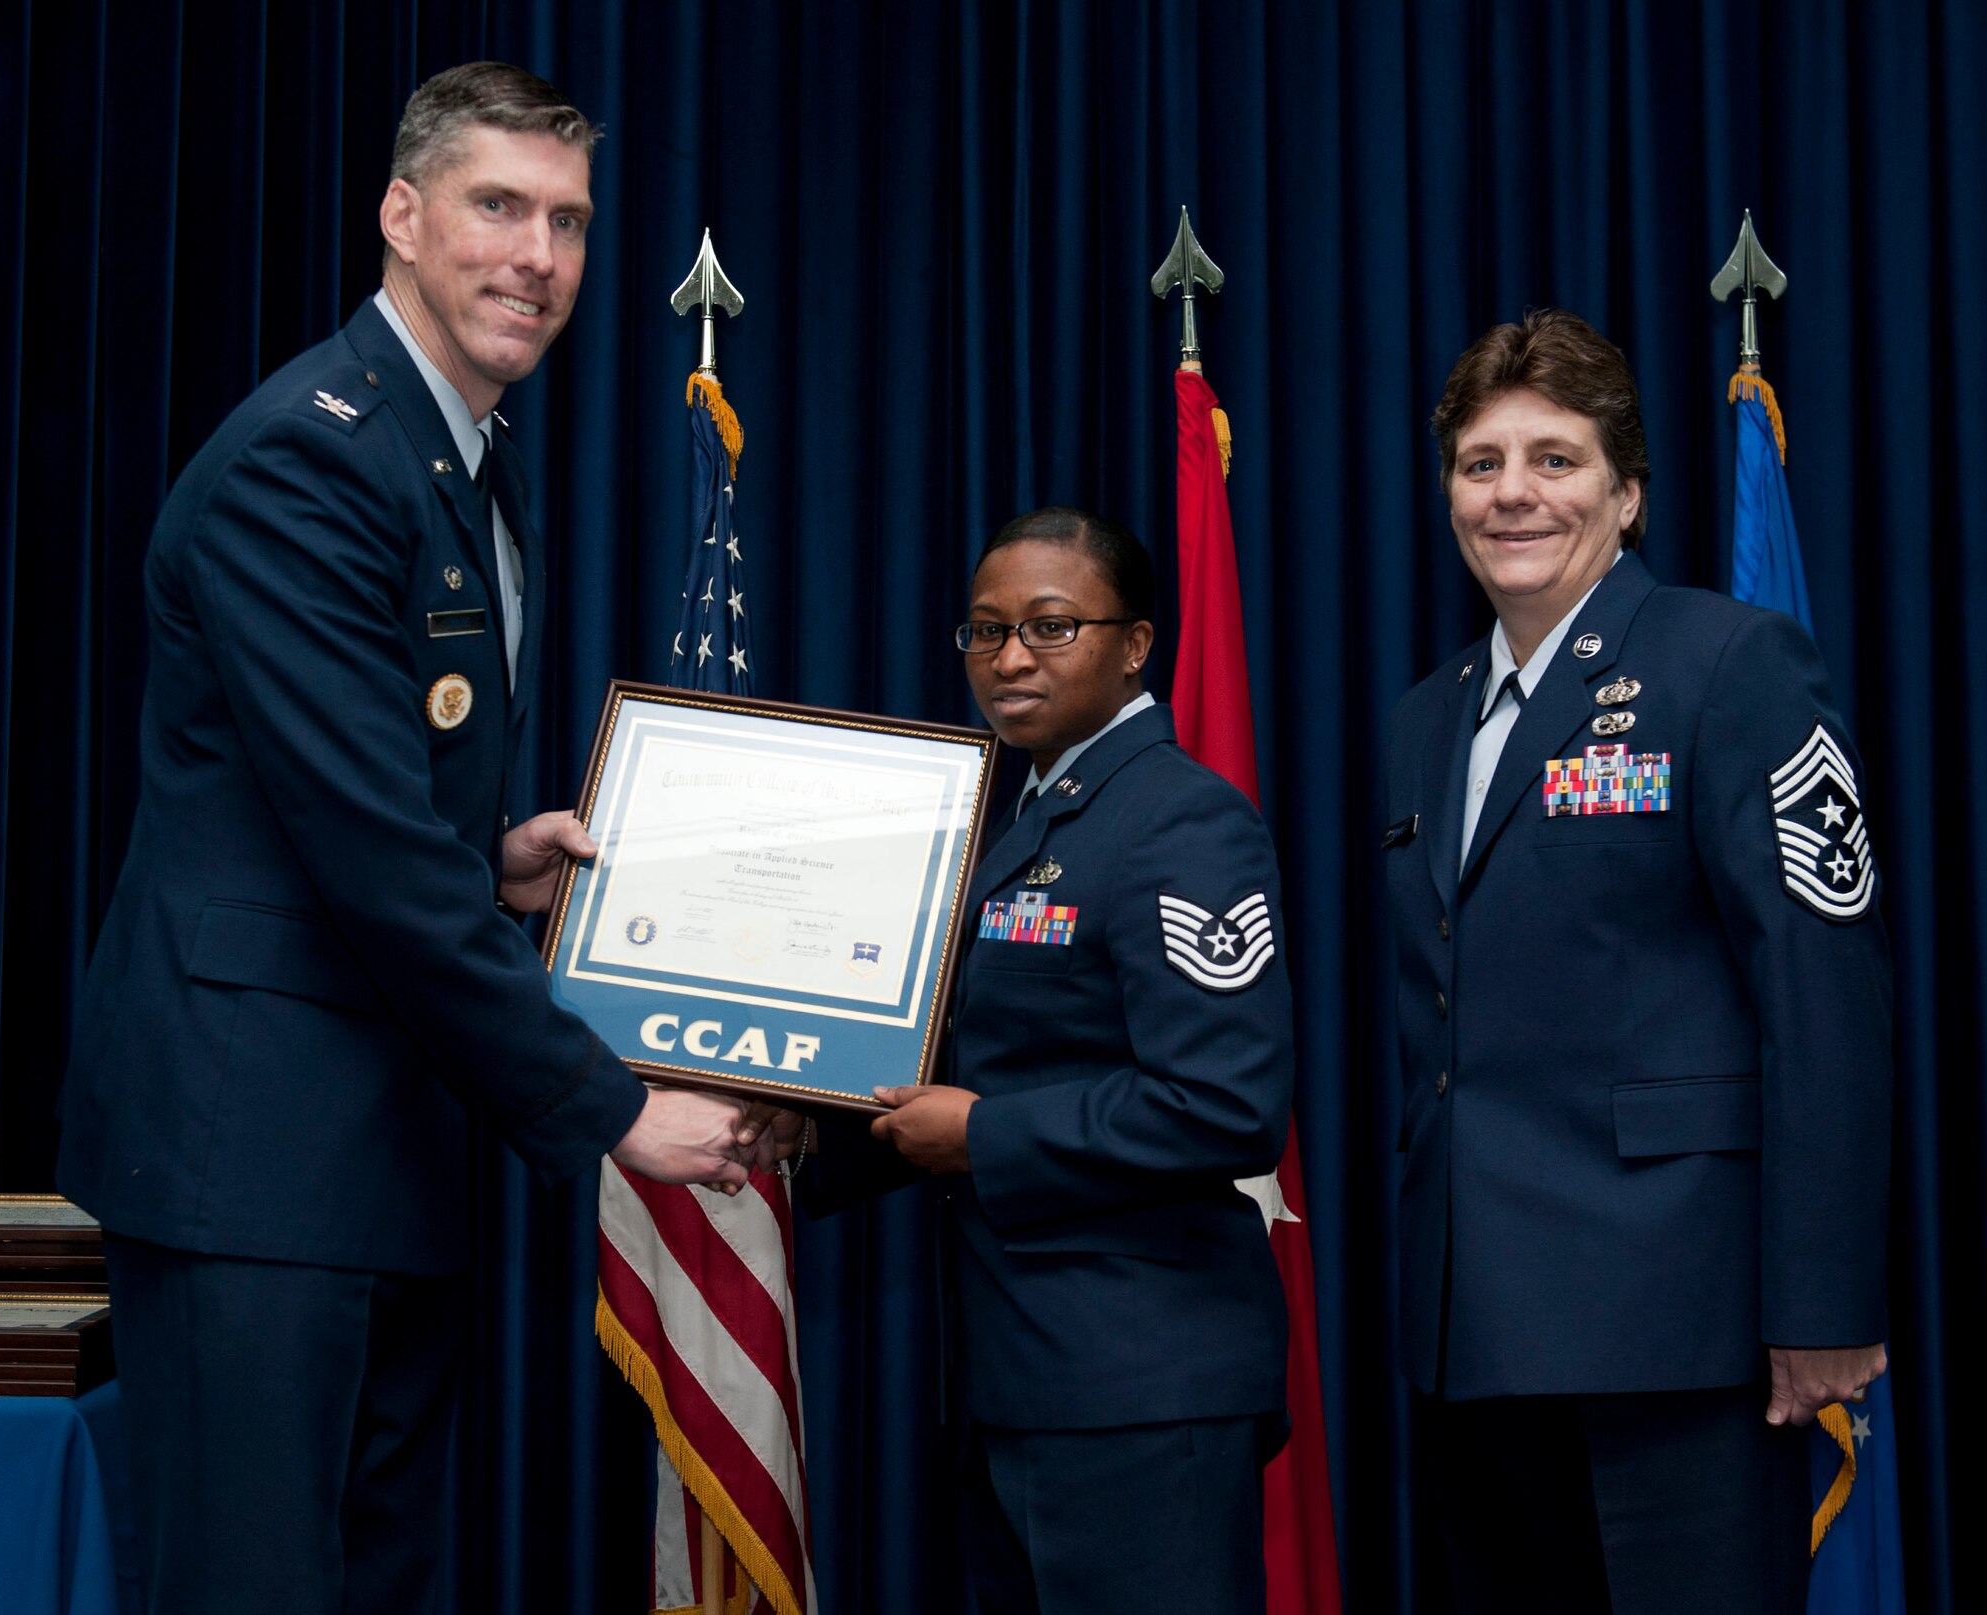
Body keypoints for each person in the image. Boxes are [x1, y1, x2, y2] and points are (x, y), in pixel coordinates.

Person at [55, 62, 765, 1615]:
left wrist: (495, 861)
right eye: (497, 207)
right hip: (255, 1160)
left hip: (371, 1151)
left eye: (567, 221)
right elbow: (367, 847)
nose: (537, 256)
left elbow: (363, 809)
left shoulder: (456, 452)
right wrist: (607, 1104)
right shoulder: (311, 460)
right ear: (401, 214)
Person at [1383, 309, 1892, 1613]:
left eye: (1555, 458)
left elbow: (1821, 988)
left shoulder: (1730, 663)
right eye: (1481, 461)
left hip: (1679, 1318)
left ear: (1629, 494)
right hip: (1473, 1325)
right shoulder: (1422, 717)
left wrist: (1823, 1293)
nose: (1513, 493)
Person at [805, 506, 1295, 1614]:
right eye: (983, 631)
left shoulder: (1178, 822)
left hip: (1137, 1388)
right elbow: (981, 1054)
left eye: (1050, 625)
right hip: (1023, 1377)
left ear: (1134, 645)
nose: (1010, 656)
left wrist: (977, 1135)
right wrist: (800, 1126)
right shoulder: (1016, 819)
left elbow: (1220, 1106)